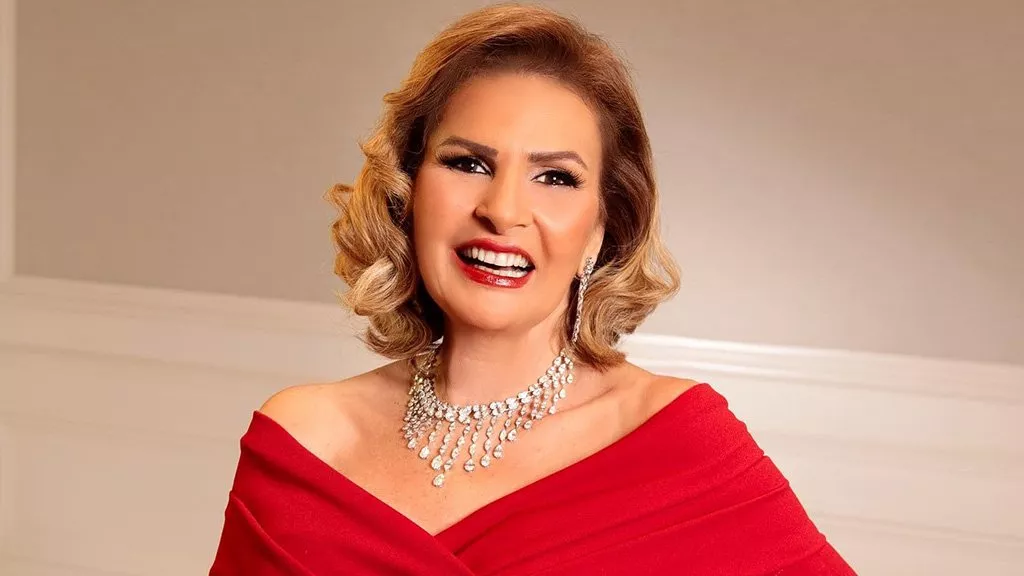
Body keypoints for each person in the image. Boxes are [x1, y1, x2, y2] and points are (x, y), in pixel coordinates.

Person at [210, 4, 854, 574]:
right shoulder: (305, 442)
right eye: (468, 164)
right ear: (409, 193)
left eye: (556, 178)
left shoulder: (679, 443)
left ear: (601, 228)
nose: (503, 209)